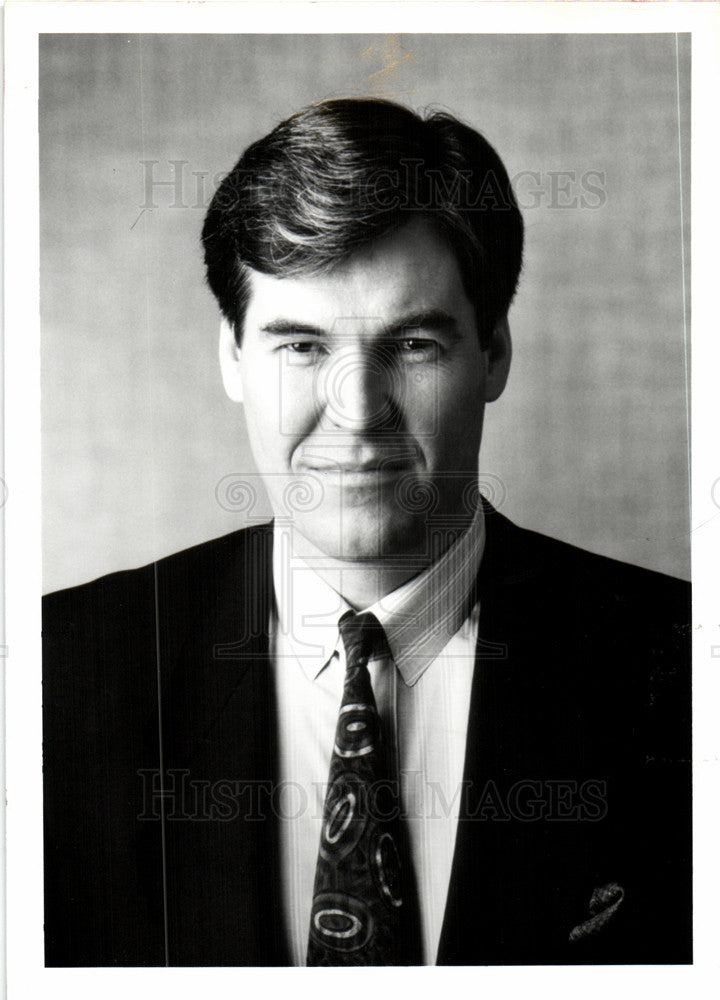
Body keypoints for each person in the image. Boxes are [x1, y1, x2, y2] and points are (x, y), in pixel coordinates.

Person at [43, 98, 691, 967]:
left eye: (414, 343)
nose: (356, 412)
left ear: (494, 352)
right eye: (301, 347)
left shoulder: (686, 670)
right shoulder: (53, 674)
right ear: (231, 356)